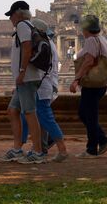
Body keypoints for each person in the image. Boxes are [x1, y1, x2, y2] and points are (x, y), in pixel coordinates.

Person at [0, 0, 46, 164]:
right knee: (12, 111)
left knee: (29, 113)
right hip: (24, 80)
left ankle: (38, 151)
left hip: (27, 78)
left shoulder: (22, 26)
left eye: (11, 15)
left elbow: (27, 48)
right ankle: (17, 149)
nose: (10, 19)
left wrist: (21, 72)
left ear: (18, 13)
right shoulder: (27, 26)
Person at [20, 18, 69, 163]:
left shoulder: (44, 45)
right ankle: (39, 149)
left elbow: (39, 67)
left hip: (42, 85)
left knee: (44, 117)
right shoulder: (49, 43)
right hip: (45, 85)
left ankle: (62, 149)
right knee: (38, 118)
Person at [70, 14, 107, 158]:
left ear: (86, 28)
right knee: (86, 114)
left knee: (89, 116)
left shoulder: (91, 40)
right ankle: (102, 140)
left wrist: (76, 79)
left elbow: (89, 61)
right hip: (100, 84)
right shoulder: (102, 39)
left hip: (92, 85)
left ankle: (92, 149)